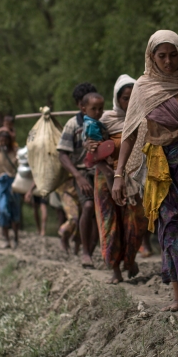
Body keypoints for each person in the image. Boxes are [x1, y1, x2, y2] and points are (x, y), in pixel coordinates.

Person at [111, 30, 178, 312]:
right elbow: (130, 133)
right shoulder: (144, 87)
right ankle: (177, 295)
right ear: (152, 57)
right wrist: (119, 175)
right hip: (160, 165)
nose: (168, 62)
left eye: (173, 55)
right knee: (169, 227)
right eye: (162, 56)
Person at [95, 75, 148, 284]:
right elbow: (91, 152)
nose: (129, 102)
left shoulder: (144, 118)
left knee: (136, 222)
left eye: (134, 97)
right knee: (110, 222)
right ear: (118, 99)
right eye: (126, 98)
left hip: (134, 177)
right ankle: (115, 268)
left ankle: (129, 259)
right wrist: (110, 173)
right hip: (107, 177)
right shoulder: (105, 120)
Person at [58, 85, 102, 267]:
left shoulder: (102, 122)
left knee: (101, 213)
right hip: (82, 172)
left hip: (100, 171)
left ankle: (91, 250)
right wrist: (78, 176)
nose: (97, 111)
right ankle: (85, 252)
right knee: (89, 206)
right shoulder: (72, 124)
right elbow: (62, 154)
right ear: (81, 106)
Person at [0, 130, 21, 248]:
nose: (3, 142)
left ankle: (16, 237)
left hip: (14, 182)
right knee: (3, 210)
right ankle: (6, 239)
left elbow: (22, 162)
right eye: (1, 140)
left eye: (5, 140)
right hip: (1, 182)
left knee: (15, 210)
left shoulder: (15, 151)